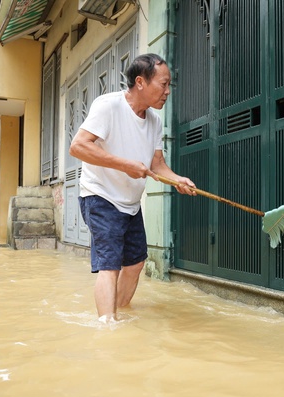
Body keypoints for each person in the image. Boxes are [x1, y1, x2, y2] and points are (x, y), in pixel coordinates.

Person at [69, 53, 196, 323]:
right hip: (100, 195)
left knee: (136, 262)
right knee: (110, 265)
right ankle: (107, 326)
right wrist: (124, 165)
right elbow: (78, 146)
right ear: (140, 82)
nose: (167, 91)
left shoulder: (155, 121)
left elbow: (157, 165)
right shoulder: (108, 106)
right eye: (163, 84)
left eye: (168, 85)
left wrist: (178, 180)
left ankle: (119, 312)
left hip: (130, 202)